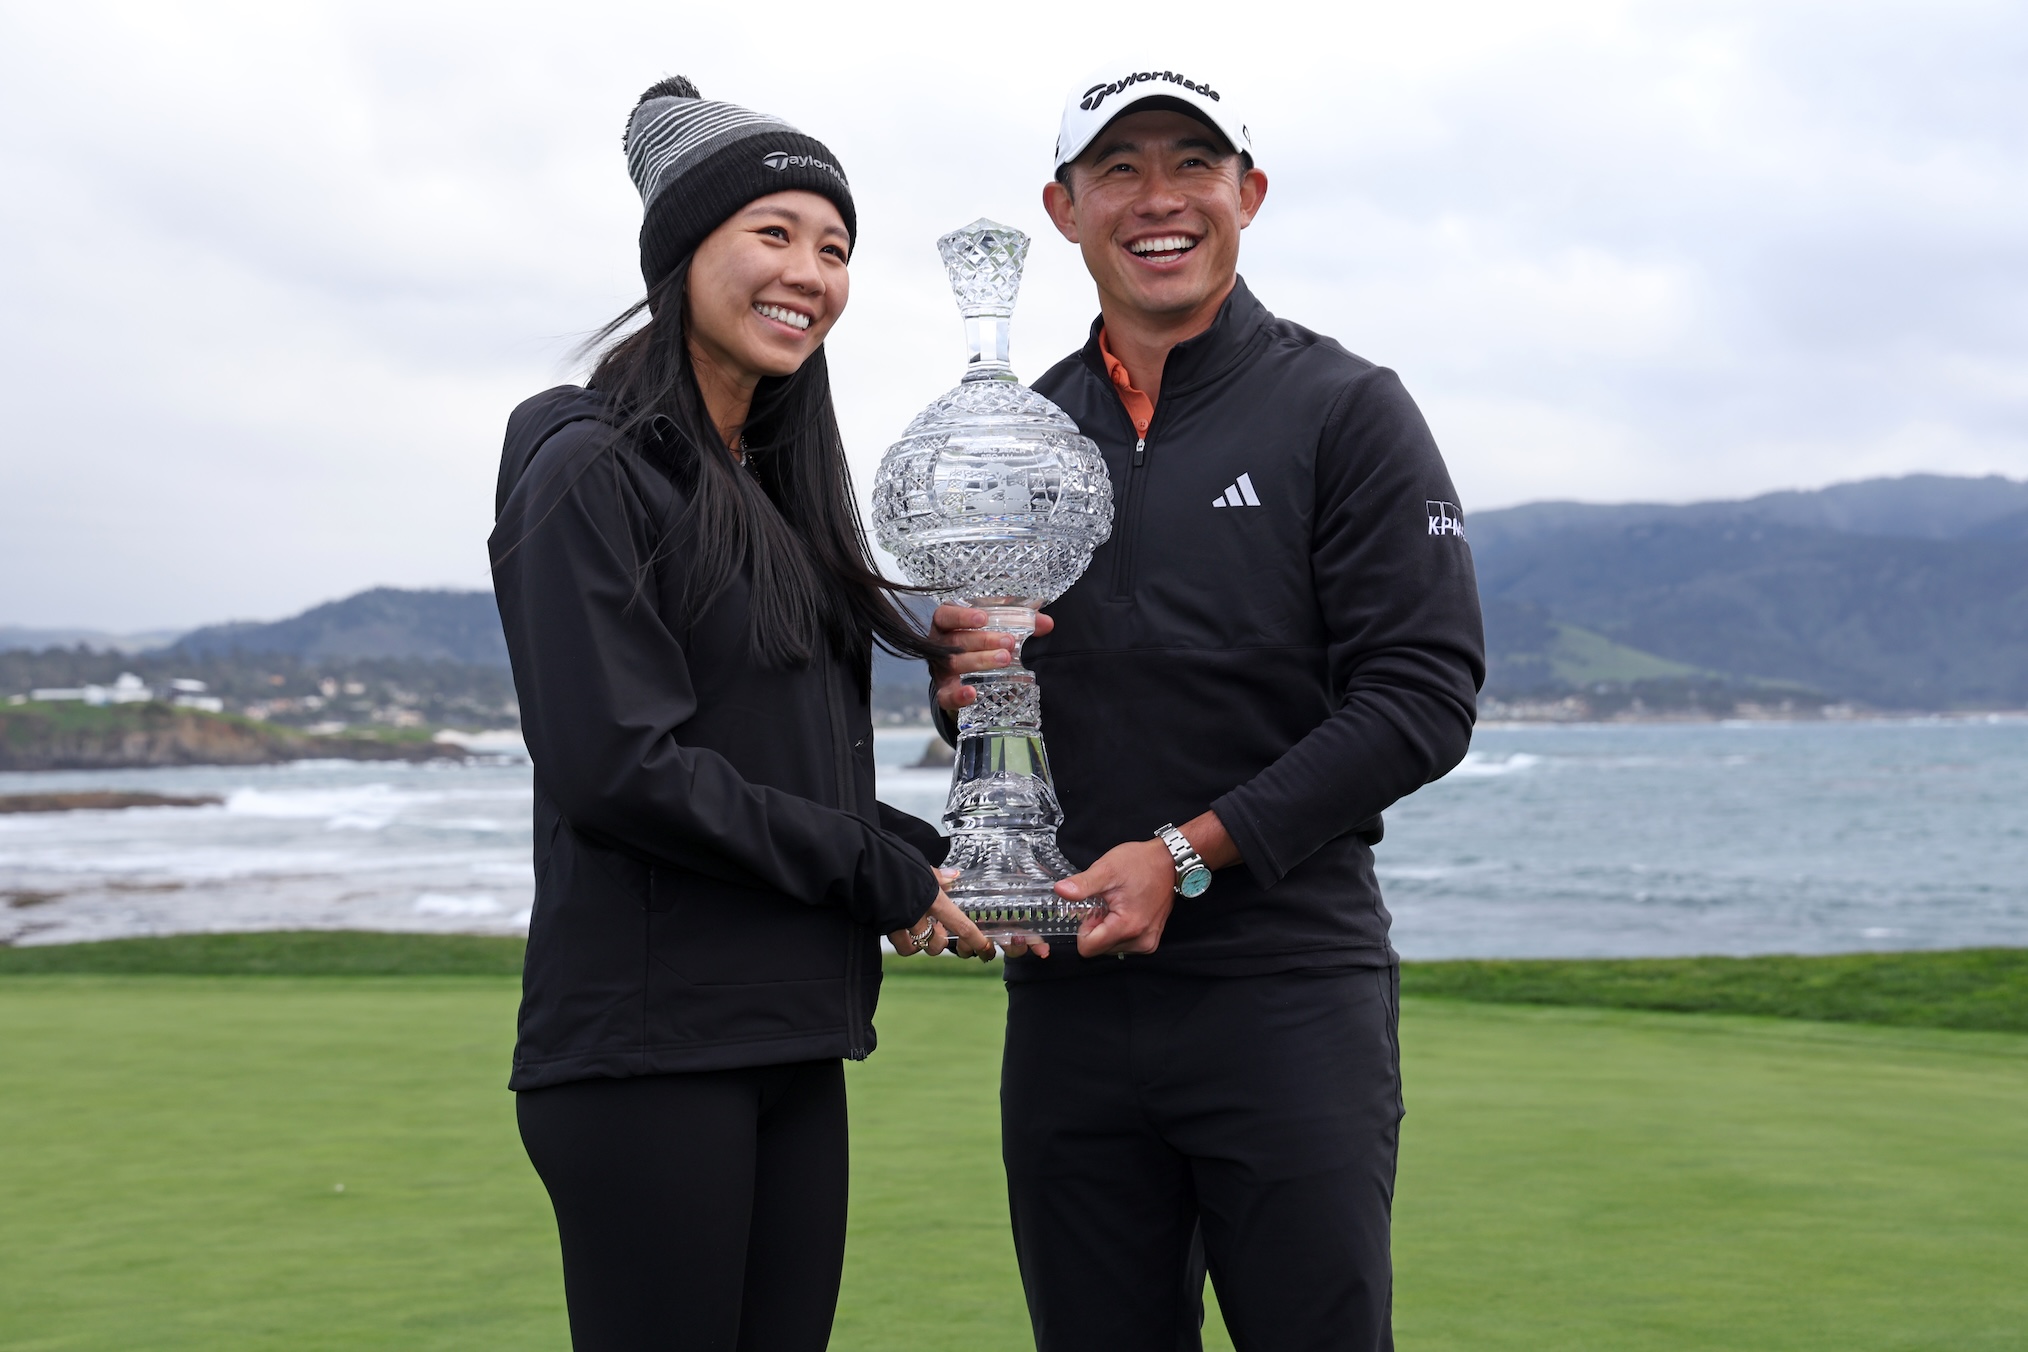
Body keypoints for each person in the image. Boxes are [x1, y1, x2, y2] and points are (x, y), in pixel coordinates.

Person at [931, 65, 1486, 1351]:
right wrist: (961, 676)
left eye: (1194, 163)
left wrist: (1185, 853)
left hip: (1284, 989)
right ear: (1063, 209)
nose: (1159, 199)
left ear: (1252, 193)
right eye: (1119, 169)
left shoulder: (1346, 408)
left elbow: (1424, 695)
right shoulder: (1018, 431)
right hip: (1066, 998)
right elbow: (992, 701)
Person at [491, 76, 991, 1352]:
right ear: (682, 253)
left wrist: (925, 856)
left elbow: (753, 763)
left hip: (785, 1035)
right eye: (772, 232)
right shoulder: (588, 467)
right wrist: (867, 868)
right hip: (648, 1053)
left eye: (833, 247)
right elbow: (623, 767)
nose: (809, 273)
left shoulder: (773, 496)